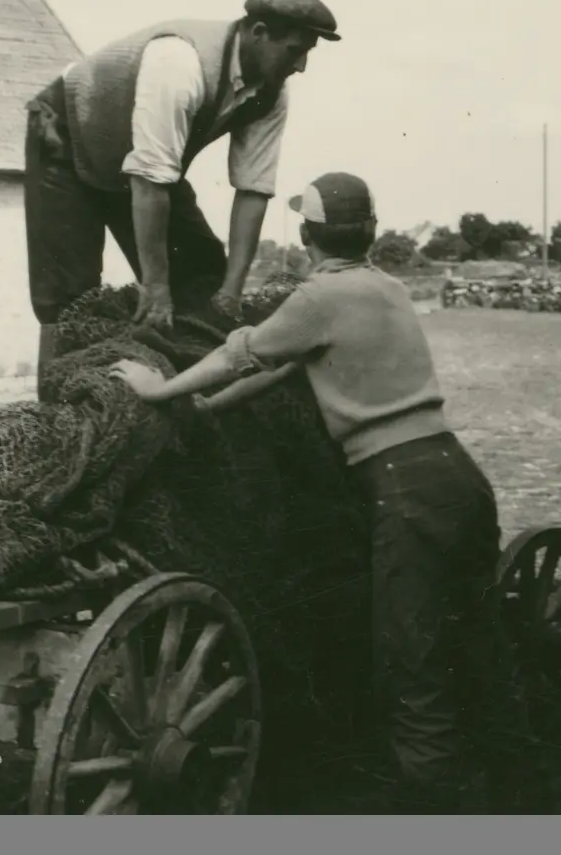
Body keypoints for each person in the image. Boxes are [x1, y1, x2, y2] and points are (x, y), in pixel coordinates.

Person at [109, 172, 530, 814]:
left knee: (406, 660)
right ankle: (521, 789)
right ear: (371, 232)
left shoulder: (317, 299)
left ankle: (438, 805)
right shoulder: (385, 288)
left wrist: (158, 391)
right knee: (476, 636)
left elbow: (239, 354)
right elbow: (282, 370)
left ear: (307, 236)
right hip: (456, 476)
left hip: (403, 487)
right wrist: (210, 411)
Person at [23, 0, 341, 386]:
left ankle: (195, 402)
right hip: (65, 138)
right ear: (258, 33)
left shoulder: (272, 92)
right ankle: (58, 420)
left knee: (203, 276)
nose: (300, 67)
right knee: (70, 301)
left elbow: (253, 188)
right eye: (295, 51)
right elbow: (150, 180)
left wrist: (231, 288)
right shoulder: (179, 64)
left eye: (307, 54)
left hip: (141, 165)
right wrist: (155, 287)